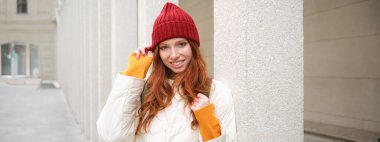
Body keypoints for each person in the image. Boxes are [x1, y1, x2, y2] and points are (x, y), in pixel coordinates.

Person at [97, 2, 236, 142]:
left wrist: (208, 123)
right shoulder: (143, 91)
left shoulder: (215, 92)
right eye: (164, 47)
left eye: (181, 44)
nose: (174, 54)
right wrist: (133, 74)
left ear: (193, 46)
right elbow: (111, 138)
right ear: (157, 52)